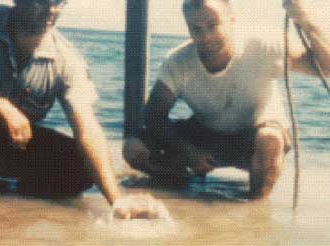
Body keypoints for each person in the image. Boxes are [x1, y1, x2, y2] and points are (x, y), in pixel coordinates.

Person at [0, 0, 160, 218]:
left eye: (58, 2)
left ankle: (9, 205)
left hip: (5, 145)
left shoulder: (66, 59)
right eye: (42, 1)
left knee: (78, 166)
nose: (51, 9)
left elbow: (88, 130)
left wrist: (117, 199)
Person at [123, 0, 330, 198]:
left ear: (232, 20)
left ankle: (255, 210)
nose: (206, 37)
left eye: (213, 26)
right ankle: (180, 186)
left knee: (270, 138)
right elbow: (153, 115)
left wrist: (305, 17)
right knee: (133, 149)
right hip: (207, 137)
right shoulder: (178, 61)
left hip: (254, 138)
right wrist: (188, 152)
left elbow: (326, 67)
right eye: (196, 29)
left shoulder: (264, 47)